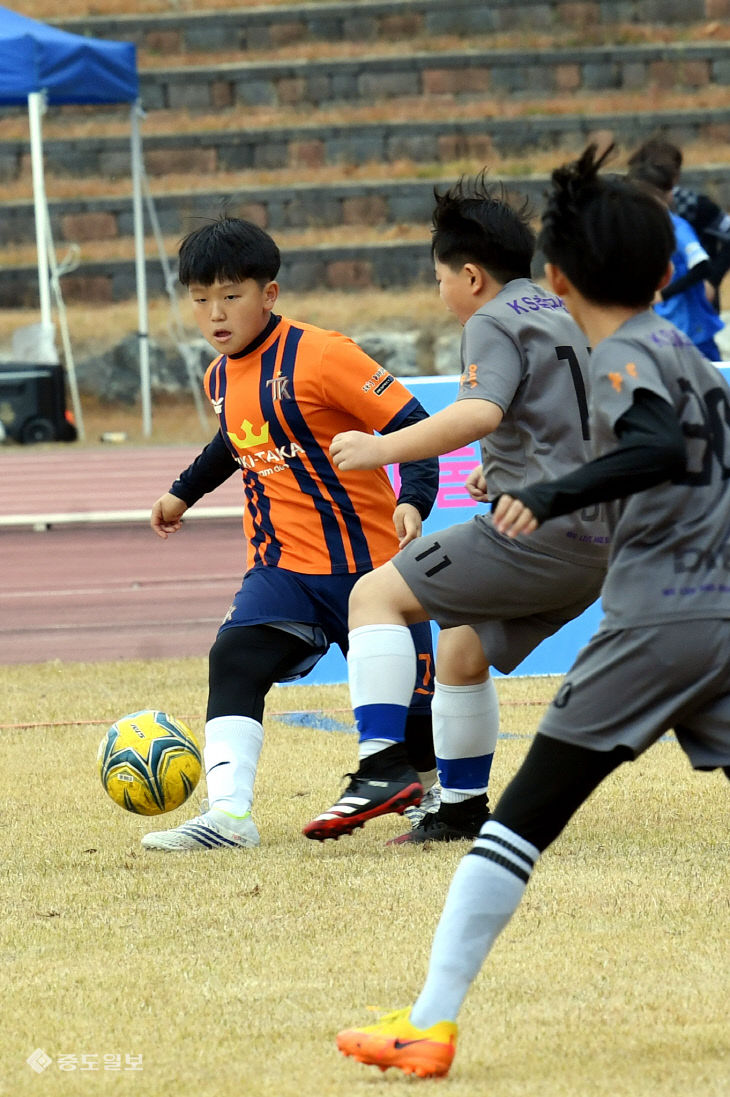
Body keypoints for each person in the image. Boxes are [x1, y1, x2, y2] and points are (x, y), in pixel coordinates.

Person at [334, 143, 730, 1079]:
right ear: (670, 269)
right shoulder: (695, 356)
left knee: (521, 821)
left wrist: (556, 494)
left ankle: (427, 1020)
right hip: (721, 614)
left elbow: (646, 445)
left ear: (555, 275)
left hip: (657, 627)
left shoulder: (625, 352)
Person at [302, 172, 610, 846]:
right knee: (462, 650)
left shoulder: (491, 320)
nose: (438, 292)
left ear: (471, 276)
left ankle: (382, 766)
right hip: (599, 538)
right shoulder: (564, 310)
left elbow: (478, 411)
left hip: (537, 531)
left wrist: (380, 446)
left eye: (438, 277)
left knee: (374, 595)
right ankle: (463, 807)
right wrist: (506, 472)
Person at [141, 216, 439, 852]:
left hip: (370, 570)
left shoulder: (325, 355)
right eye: (199, 300)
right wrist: (182, 492)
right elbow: (236, 438)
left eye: (230, 296)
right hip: (282, 570)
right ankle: (228, 818)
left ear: (268, 294)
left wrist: (415, 498)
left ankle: (438, 805)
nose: (214, 314)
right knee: (234, 657)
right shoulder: (218, 376)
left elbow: (416, 424)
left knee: (414, 719)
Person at [626, 153, 725, 361]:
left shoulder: (676, 227)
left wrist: (664, 294)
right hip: (669, 326)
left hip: (693, 332)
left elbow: (703, 266)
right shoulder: (648, 228)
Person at [628, 137, 730, 314]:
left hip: (694, 305)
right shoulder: (630, 208)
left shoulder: (694, 207)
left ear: (674, 177)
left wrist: (712, 280)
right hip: (655, 303)